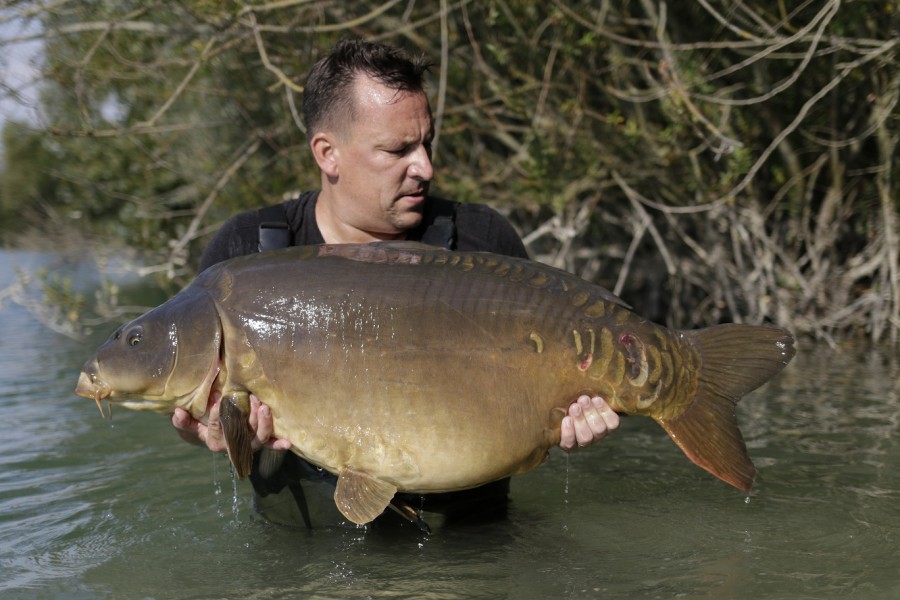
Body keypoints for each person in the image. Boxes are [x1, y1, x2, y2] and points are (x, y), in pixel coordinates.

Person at [171, 38, 619, 528]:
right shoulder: (245, 255)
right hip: (303, 562)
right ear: (328, 154)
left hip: (469, 553)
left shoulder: (481, 240)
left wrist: (576, 414)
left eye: (427, 142)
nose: (425, 166)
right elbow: (196, 412)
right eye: (398, 149)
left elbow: (553, 375)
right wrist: (210, 431)